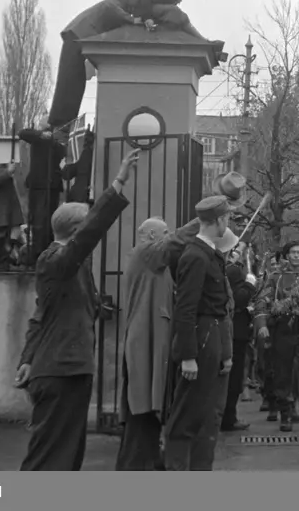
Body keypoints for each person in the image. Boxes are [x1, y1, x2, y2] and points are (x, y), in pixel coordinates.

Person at [14, 149, 140, 471]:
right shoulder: (55, 260)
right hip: (61, 371)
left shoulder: (72, 266)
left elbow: (41, 315)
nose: (88, 235)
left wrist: (27, 359)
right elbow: (88, 236)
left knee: (67, 456)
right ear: (74, 232)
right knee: (50, 459)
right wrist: (116, 185)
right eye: (84, 227)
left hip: (67, 369)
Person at [163, 196, 237, 471]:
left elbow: (221, 310)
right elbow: (185, 309)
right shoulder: (194, 255)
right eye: (227, 218)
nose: (227, 223)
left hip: (215, 337)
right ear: (219, 220)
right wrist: (187, 356)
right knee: (187, 415)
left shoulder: (209, 253)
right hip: (202, 339)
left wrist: (226, 353)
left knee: (210, 415)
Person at [115, 218, 172, 471]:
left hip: (148, 339)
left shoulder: (150, 256)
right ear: (150, 235)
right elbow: (178, 241)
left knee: (145, 408)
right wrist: (205, 220)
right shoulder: (146, 252)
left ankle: (146, 461)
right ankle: (138, 465)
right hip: (144, 341)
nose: (168, 236)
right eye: (164, 232)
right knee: (143, 405)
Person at [254, 241, 299, 432]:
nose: (296, 256)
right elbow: (262, 302)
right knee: (283, 374)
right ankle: (285, 413)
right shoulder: (275, 278)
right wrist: (262, 325)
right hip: (283, 332)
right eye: (293, 253)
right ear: (287, 256)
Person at [47, 0, 143, 130]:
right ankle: (61, 121)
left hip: (78, 34)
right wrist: (132, 20)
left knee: (74, 80)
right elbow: (110, 7)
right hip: (79, 34)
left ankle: (63, 121)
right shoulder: (120, 0)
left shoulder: (121, 3)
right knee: (70, 80)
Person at [18, 123, 67, 267]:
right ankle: (38, 254)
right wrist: (40, 134)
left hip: (52, 185)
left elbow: (62, 152)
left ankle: (47, 252)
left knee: (50, 221)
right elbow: (22, 133)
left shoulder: (56, 144)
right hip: (38, 184)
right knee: (38, 220)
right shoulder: (37, 138)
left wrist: (52, 140)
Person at [221, 258, 257, 433]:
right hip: (234, 332)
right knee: (233, 379)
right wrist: (250, 285)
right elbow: (238, 297)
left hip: (234, 331)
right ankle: (228, 418)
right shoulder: (231, 270)